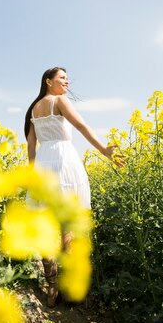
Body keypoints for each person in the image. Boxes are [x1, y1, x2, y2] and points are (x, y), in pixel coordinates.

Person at [24, 66, 123, 307]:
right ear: (49, 81)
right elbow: (81, 126)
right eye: (62, 78)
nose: (67, 82)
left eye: (67, 78)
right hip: (64, 162)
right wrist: (104, 151)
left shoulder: (33, 110)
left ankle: (51, 289)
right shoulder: (59, 101)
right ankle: (68, 289)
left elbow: (31, 147)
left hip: (44, 166)